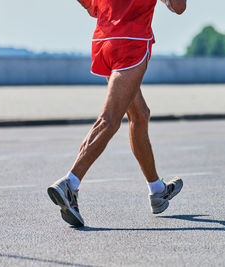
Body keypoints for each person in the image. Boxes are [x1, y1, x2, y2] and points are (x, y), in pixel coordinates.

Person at [47, 0, 187, 227]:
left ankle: (157, 190)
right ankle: (70, 184)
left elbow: (91, 7)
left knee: (140, 114)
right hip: (131, 45)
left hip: (104, 42)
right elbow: (178, 7)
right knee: (109, 120)